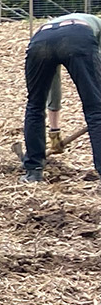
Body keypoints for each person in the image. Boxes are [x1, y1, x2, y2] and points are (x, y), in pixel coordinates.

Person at [19, 14, 101, 183]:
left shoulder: (52, 27)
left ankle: (33, 171)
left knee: (35, 106)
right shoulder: (95, 27)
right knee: (95, 110)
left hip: (40, 40)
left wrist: (54, 131)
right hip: (77, 37)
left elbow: (53, 85)